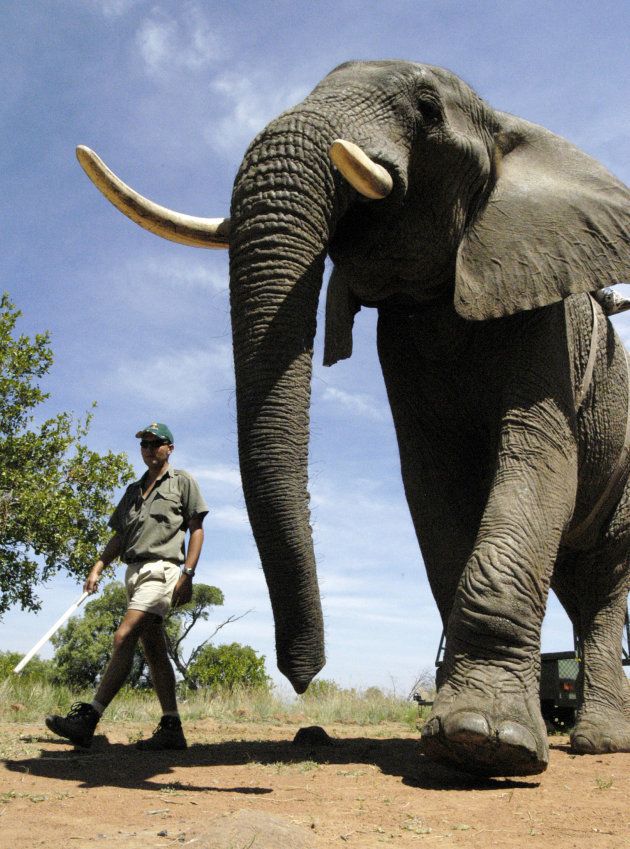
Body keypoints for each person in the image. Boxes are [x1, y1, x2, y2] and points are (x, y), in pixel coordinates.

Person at [45, 422, 208, 750]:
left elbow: (197, 528)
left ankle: (88, 719)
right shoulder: (133, 490)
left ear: (169, 448)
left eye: (156, 443)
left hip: (162, 571)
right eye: (144, 444)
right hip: (132, 574)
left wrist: (188, 574)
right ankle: (172, 727)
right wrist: (98, 566)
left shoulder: (182, 482)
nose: (149, 449)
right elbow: (120, 535)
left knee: (124, 636)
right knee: (154, 650)